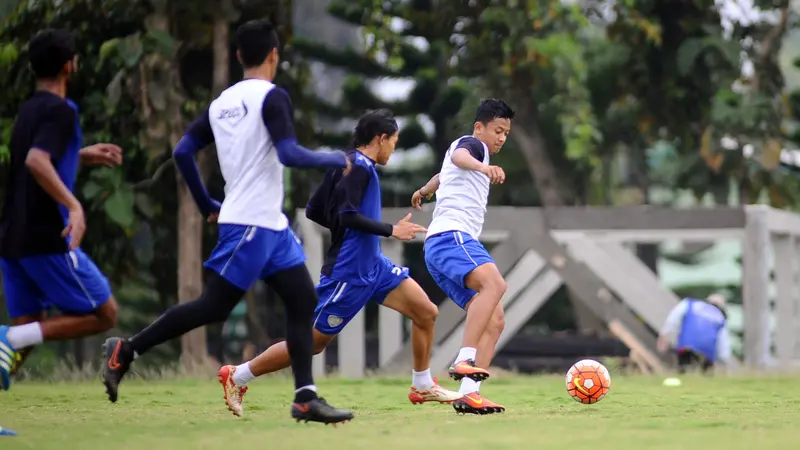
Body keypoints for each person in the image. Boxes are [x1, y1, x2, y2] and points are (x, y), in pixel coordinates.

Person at [101, 19, 354, 425]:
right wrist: (335, 158)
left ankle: (305, 397)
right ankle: (125, 350)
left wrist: (206, 203)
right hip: (251, 225)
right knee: (213, 306)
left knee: (303, 301)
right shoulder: (273, 98)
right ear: (275, 54)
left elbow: (183, 152)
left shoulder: (221, 104)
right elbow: (288, 153)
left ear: (238, 56)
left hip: (269, 226)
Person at [216, 109, 463, 417]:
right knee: (314, 342)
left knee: (426, 312)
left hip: (374, 266)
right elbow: (345, 215)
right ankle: (238, 375)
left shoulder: (344, 163)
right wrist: (390, 230)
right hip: (349, 273)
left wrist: (349, 230)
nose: (393, 149)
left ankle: (422, 385)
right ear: (380, 138)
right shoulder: (358, 167)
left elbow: (315, 210)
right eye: (394, 142)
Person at [0, 28, 125, 435]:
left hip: (12, 240)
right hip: (45, 239)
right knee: (104, 313)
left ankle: (9, 337)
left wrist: (82, 155)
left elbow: (40, 157)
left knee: (26, 331)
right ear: (70, 64)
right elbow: (38, 162)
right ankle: (5, 336)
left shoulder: (29, 111)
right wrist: (74, 205)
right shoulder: (62, 111)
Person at [410, 99, 514, 415]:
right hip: (452, 238)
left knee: (495, 320)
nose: (501, 138)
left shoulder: (468, 154)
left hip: (438, 247)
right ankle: (463, 359)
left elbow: (446, 170)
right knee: (495, 286)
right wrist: (484, 166)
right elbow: (459, 155)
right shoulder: (473, 146)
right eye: (497, 130)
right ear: (479, 127)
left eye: (506, 133)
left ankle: (469, 394)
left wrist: (425, 189)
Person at [657, 293, 732, 374]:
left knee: (684, 372)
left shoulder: (690, 303)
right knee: (704, 379)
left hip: (686, 347)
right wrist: (724, 363)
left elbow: (672, 320)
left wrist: (663, 335)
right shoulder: (720, 317)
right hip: (707, 353)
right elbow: (723, 345)